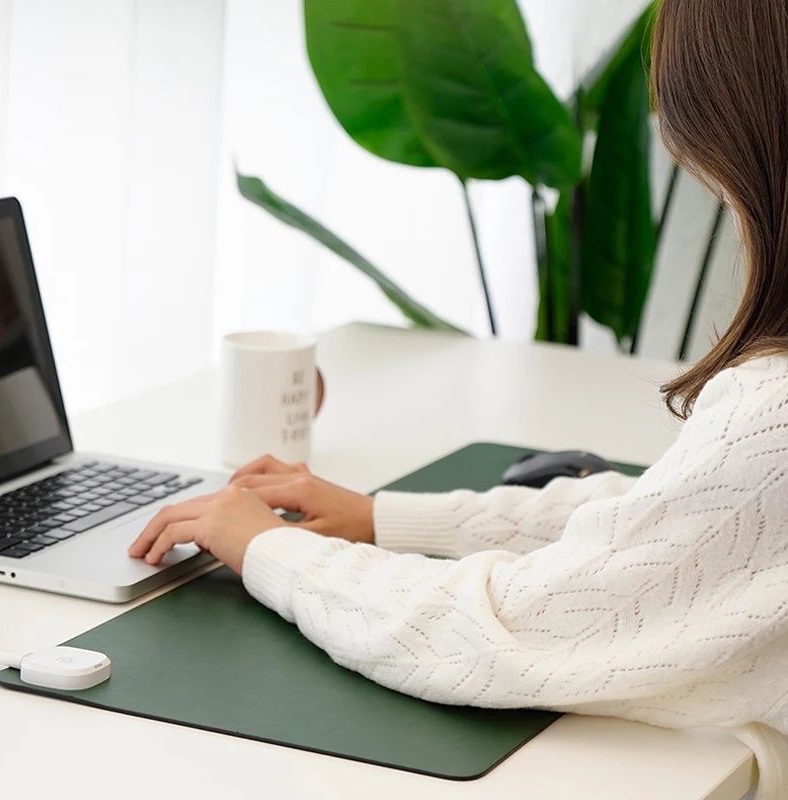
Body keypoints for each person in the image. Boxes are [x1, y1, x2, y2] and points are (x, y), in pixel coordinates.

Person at [130, 1, 788, 795]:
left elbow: (494, 633)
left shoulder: (772, 410)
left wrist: (269, 547)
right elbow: (677, 517)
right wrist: (391, 520)